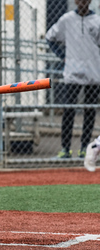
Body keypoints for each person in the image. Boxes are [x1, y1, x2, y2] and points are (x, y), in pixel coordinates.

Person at [46, 0, 100, 158]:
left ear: (89, 1)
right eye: (79, 0)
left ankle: (84, 147)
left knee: (89, 110)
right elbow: (51, 37)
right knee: (68, 110)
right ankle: (65, 148)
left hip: (93, 72)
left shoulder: (97, 21)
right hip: (72, 72)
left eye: (85, 0)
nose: (82, 2)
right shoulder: (67, 19)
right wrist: (62, 56)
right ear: (75, 1)